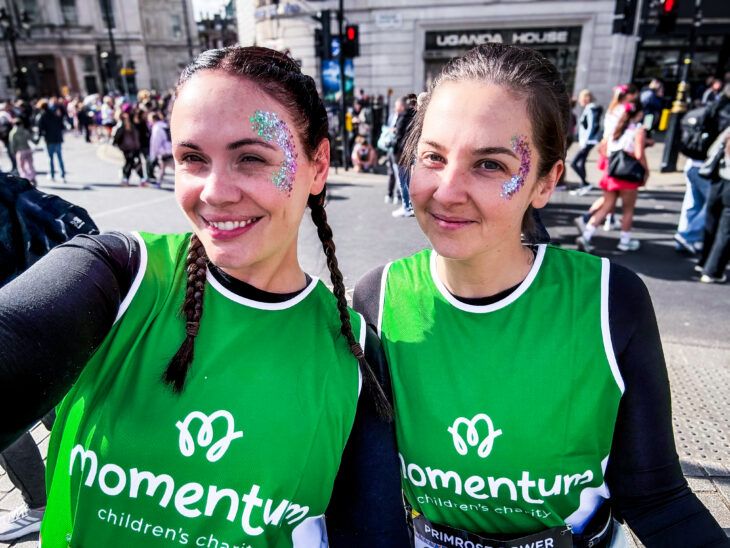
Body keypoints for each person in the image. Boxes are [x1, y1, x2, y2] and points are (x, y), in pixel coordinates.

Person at [0, 46, 409, 547]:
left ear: (318, 165)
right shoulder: (119, 276)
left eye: (251, 158)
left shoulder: (352, 353)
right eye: (193, 158)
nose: (214, 192)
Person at [354, 43, 728, 547]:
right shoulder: (379, 298)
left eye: (489, 165)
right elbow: (367, 494)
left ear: (545, 182)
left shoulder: (608, 300)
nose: (446, 190)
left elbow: (656, 496)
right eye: (433, 157)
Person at [576, 101, 648, 253]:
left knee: (606, 206)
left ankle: (586, 236)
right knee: (628, 210)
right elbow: (639, 154)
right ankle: (624, 241)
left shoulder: (616, 129)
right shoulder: (638, 131)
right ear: (639, 114)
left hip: (612, 174)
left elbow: (603, 149)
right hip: (628, 176)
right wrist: (646, 171)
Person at [695, 126, 730, 283]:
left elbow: (711, 151)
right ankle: (712, 270)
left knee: (712, 223)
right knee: (725, 231)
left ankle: (703, 262)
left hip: (718, 180)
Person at [569, 89, 602, 195]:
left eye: (581, 98)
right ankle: (584, 184)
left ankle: (585, 183)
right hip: (586, 141)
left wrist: (586, 141)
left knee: (574, 163)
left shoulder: (591, 109)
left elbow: (592, 126)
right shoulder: (588, 108)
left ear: (586, 98)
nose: (579, 101)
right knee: (581, 162)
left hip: (588, 142)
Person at [391, 94, 417, 218]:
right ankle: (409, 206)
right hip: (410, 152)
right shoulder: (415, 116)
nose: (395, 109)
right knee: (408, 180)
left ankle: (406, 207)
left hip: (401, 153)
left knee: (403, 181)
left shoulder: (403, 116)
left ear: (401, 106)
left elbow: (399, 135)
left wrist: (394, 132)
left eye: (396, 106)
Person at [112, 106, 146, 186]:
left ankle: (129, 179)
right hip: (129, 147)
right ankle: (129, 179)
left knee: (132, 163)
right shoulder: (124, 124)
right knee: (131, 163)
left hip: (132, 147)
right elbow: (118, 136)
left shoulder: (129, 122)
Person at [36, 100, 67, 184]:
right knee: (60, 158)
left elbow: (40, 130)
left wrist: (37, 140)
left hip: (49, 140)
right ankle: (63, 175)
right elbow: (61, 125)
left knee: (50, 158)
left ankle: (52, 175)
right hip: (58, 138)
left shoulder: (41, 116)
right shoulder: (54, 114)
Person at [8, 118, 38, 185]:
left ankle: (25, 179)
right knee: (30, 165)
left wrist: (13, 152)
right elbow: (33, 140)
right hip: (28, 149)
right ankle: (32, 177)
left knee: (21, 167)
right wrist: (37, 140)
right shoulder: (25, 131)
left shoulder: (13, 133)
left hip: (20, 151)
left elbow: (12, 144)